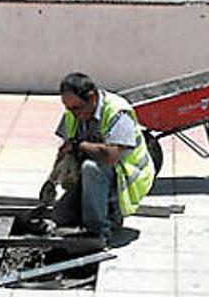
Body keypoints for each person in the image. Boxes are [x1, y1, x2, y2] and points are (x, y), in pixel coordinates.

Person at [39, 72, 155, 242]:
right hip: (95, 177)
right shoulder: (72, 113)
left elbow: (111, 156)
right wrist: (52, 181)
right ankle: (97, 211)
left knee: (91, 168)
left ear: (92, 98)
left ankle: (99, 232)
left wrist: (79, 145)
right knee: (60, 217)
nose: (73, 113)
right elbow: (65, 150)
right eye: (68, 108)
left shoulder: (117, 111)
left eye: (77, 108)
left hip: (127, 176)